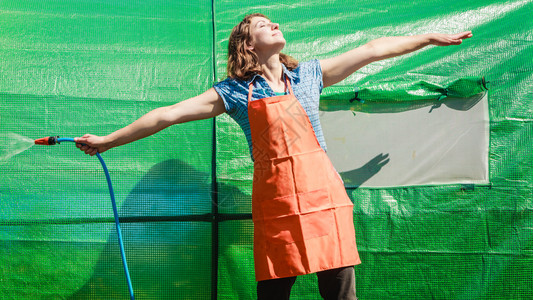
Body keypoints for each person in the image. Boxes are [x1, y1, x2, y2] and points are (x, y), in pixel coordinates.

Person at [75, 13, 472, 299]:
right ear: (248, 44)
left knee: (340, 290)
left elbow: (372, 49)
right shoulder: (232, 93)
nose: (274, 25)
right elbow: (167, 115)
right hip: (278, 205)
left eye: (275, 22)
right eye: (263, 25)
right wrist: (109, 140)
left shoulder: (310, 75)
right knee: (274, 290)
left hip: (324, 201)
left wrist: (428, 38)